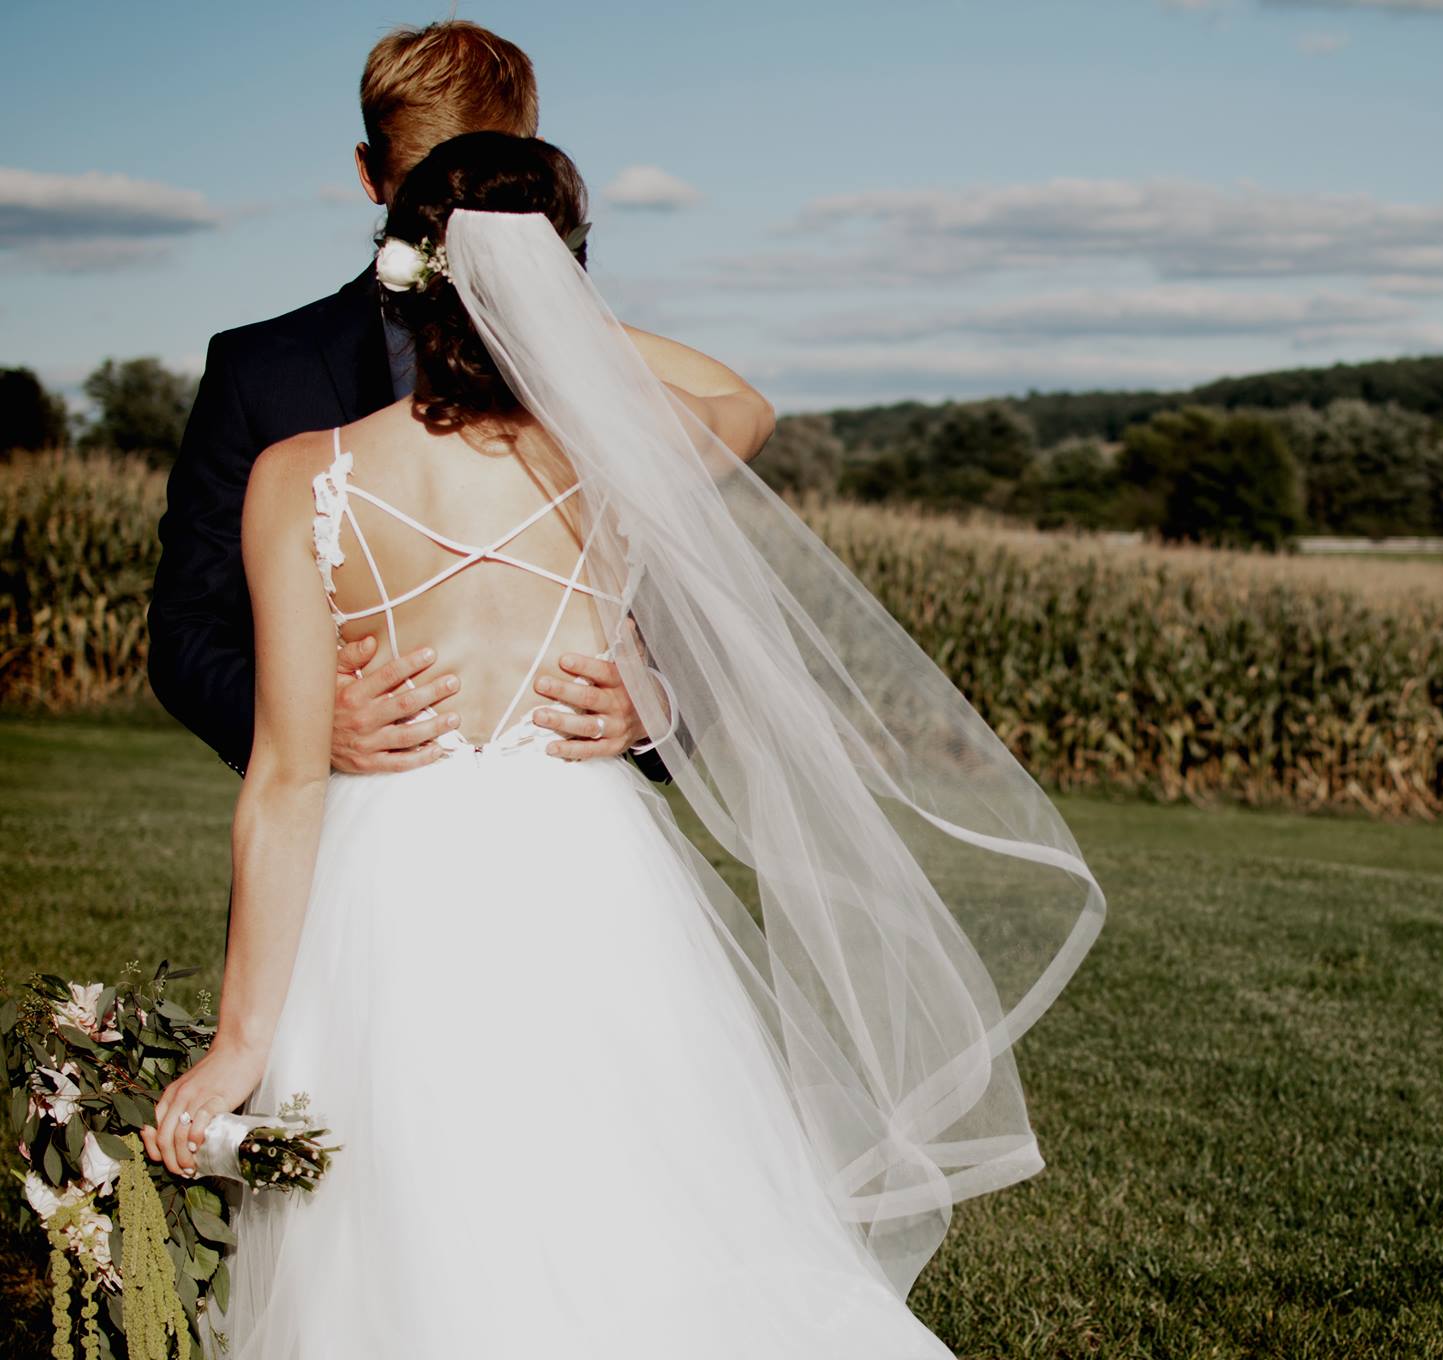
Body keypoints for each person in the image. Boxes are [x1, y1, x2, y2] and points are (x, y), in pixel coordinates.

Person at [137, 132, 1104, 1357]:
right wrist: (558, 311)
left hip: (385, 874)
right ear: (566, 276)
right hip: (586, 857)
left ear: (402, 273)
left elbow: (281, 781)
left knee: (403, 1204)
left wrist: (237, 1046)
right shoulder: (626, 449)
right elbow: (739, 401)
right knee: (633, 1188)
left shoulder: (297, 475)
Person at [148, 19, 751, 784]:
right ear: (370, 175)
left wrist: (653, 707)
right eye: (428, 193)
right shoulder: (260, 370)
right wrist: (302, 731)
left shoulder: (610, 383)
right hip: (347, 835)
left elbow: (716, 612)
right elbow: (188, 627)